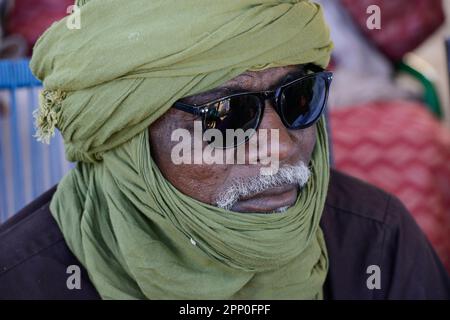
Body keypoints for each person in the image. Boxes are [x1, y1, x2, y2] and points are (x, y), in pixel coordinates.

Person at [0, 0, 448, 299]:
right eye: (226, 114)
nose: (276, 146)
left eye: (299, 98)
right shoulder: (22, 280)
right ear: (127, 136)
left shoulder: (377, 242)